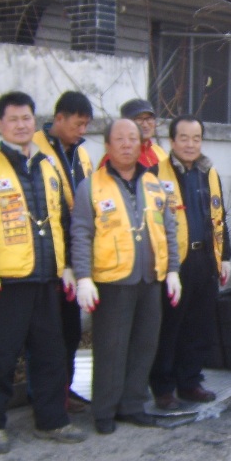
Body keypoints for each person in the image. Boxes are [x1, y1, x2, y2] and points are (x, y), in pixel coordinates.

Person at [0, 91, 85, 454]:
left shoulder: (48, 166)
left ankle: (52, 419)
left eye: (27, 118)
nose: (21, 125)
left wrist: (66, 267)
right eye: (13, 119)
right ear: (1, 124)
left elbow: (62, 220)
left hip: (47, 280)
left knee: (51, 353)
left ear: (36, 122)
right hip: (7, 282)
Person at [71, 119, 182, 434]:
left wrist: (172, 270)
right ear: (107, 145)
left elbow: (168, 230)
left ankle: (132, 405)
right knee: (111, 347)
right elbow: (81, 234)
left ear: (140, 144)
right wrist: (83, 277)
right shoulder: (90, 186)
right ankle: (104, 411)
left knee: (145, 344)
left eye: (132, 138)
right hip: (112, 280)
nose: (126, 144)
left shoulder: (154, 184)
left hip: (150, 280)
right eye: (119, 139)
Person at [150, 115, 231, 410]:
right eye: (183, 138)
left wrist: (226, 258)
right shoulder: (155, 174)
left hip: (205, 259)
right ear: (172, 141)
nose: (190, 144)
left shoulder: (208, 172)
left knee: (199, 326)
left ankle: (190, 382)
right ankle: (163, 387)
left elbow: (220, 215)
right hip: (174, 263)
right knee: (170, 327)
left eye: (196, 138)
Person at [32, 91, 94, 411]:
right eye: (78, 124)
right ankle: (44, 395)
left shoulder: (82, 155)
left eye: (86, 125)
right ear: (59, 119)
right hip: (44, 258)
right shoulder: (34, 151)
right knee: (46, 334)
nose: (82, 131)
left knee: (70, 330)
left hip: (74, 257)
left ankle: (65, 389)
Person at [117, 98, 170, 171]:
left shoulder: (159, 152)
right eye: (139, 119)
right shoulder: (118, 155)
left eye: (149, 118)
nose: (145, 125)